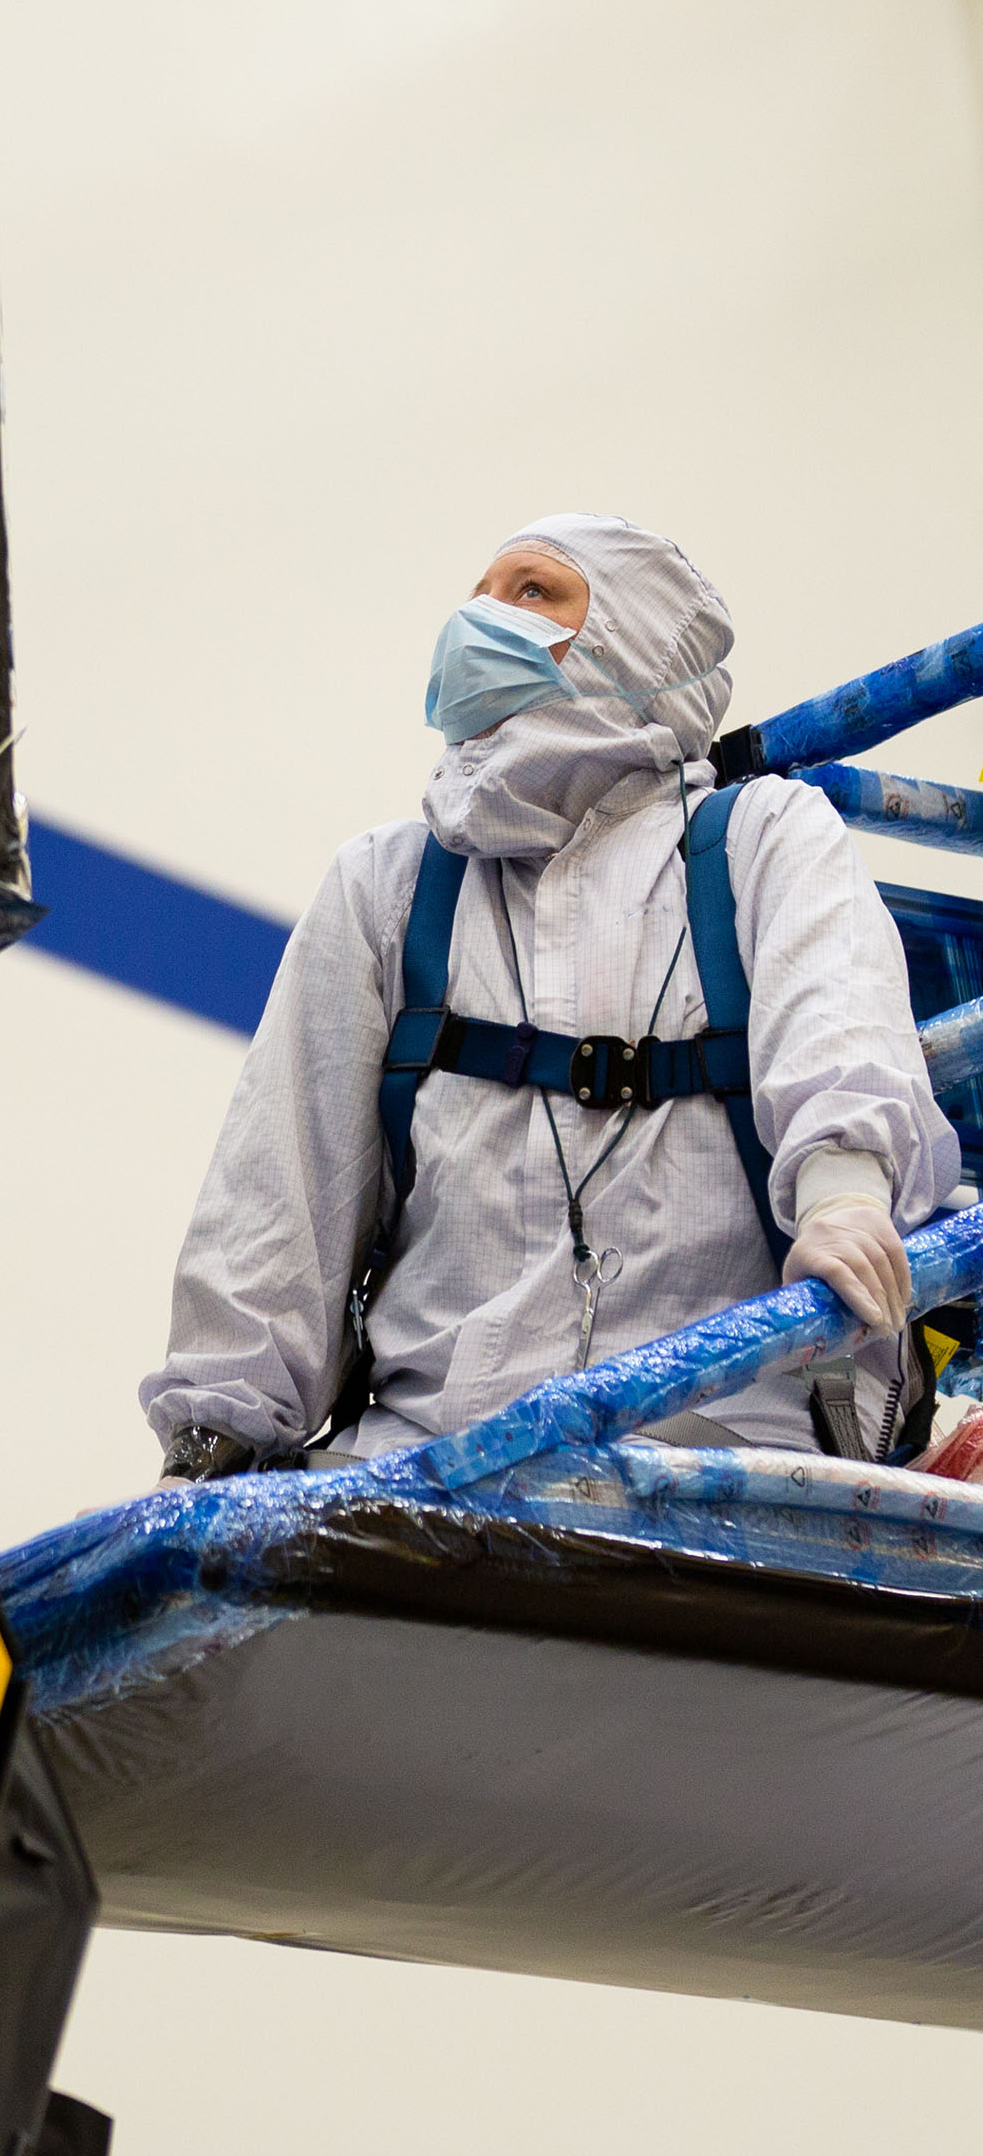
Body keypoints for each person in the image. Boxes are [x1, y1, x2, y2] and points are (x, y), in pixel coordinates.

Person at [142, 513, 960, 1482]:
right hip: (429, 1458)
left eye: (531, 591)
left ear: (635, 642)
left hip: (731, 1438)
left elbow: (837, 1024)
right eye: (478, 593)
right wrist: (217, 1432)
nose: (479, 619)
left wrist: (842, 1197)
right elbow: (278, 1181)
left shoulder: (758, 836)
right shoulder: (387, 885)